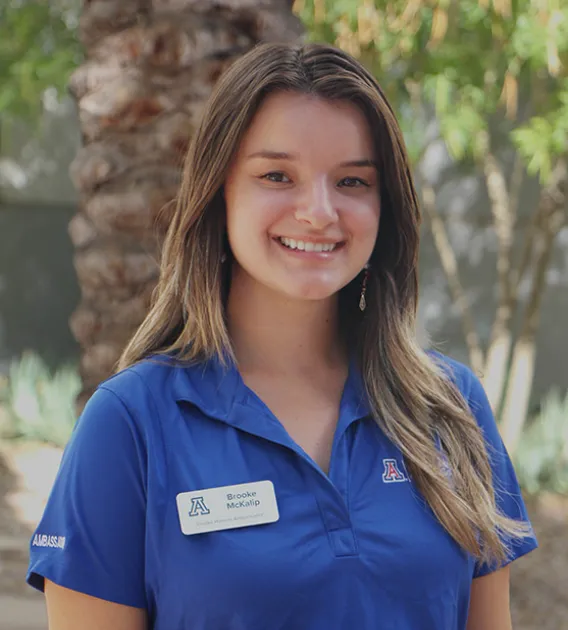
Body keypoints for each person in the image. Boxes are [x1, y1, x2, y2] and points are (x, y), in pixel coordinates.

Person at [27, 42, 537, 630]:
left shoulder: (452, 408)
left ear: (385, 206)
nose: (319, 211)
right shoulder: (131, 424)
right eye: (277, 175)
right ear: (220, 193)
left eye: (351, 181)